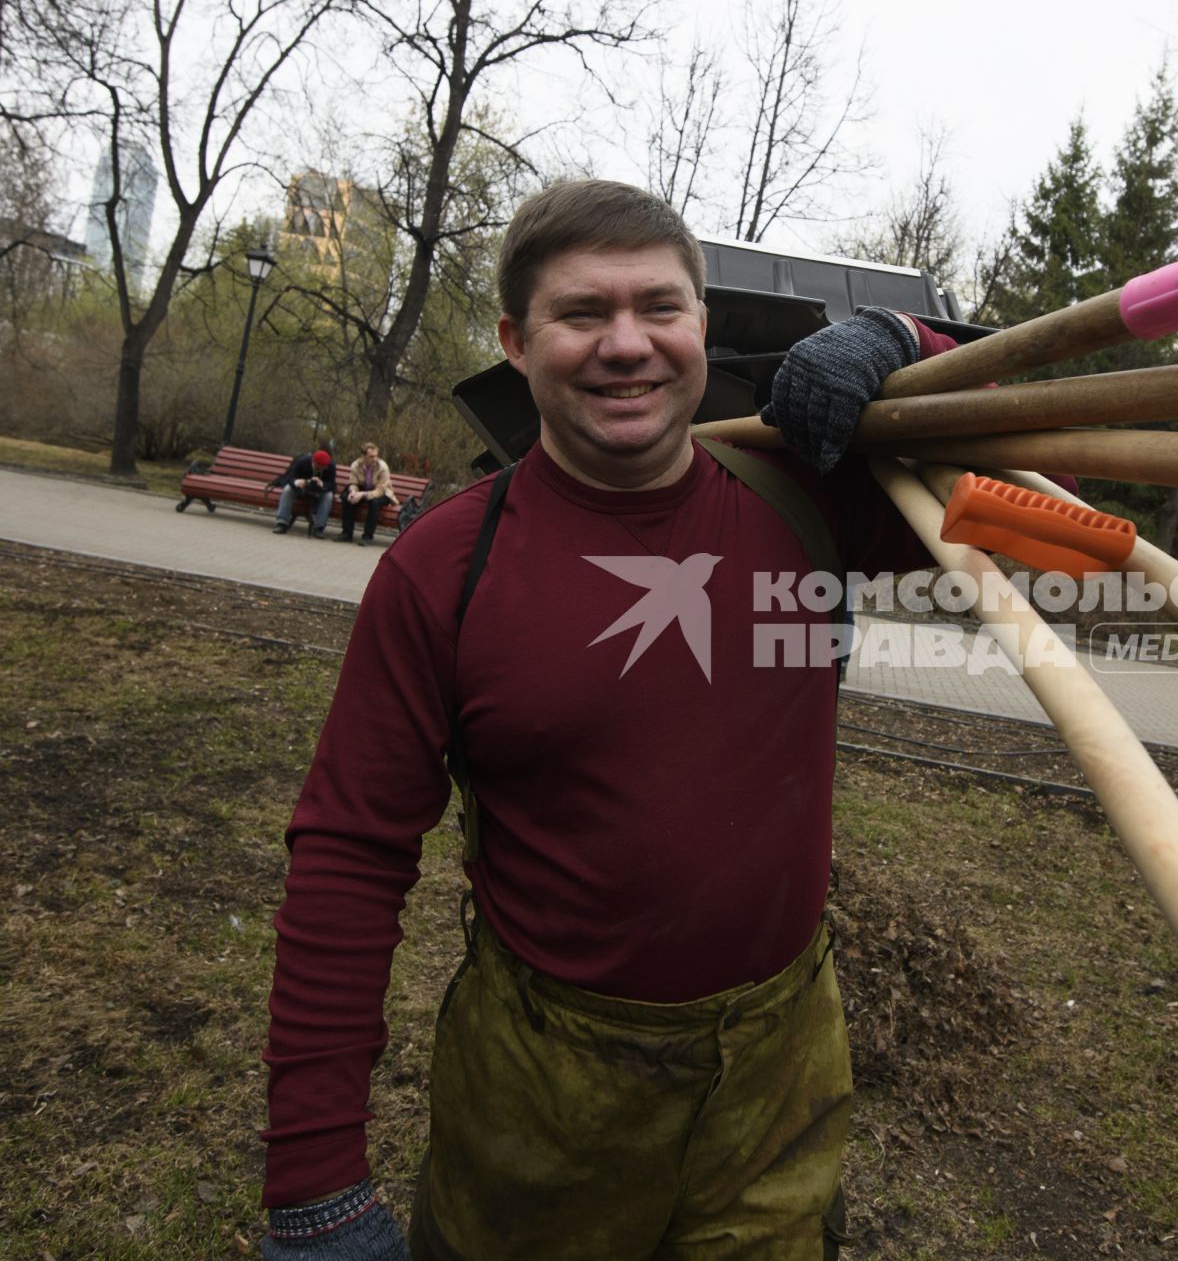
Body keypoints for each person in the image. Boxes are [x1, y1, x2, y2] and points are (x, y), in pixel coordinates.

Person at [258, 179, 961, 1259]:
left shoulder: (809, 496)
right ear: (516, 340)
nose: (626, 344)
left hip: (781, 1075)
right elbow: (350, 858)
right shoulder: (443, 566)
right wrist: (316, 1185)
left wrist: (901, 335)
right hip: (545, 1095)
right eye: (583, 313)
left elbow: (1048, 469)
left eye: (659, 307)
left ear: (702, 326)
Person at [335, 443, 397, 545]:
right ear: (364, 456)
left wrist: (363, 494)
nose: (375, 459)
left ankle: (367, 536)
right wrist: (353, 492)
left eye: (376, 455)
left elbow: (380, 490)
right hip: (363, 489)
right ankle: (346, 533)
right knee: (347, 497)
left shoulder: (383, 467)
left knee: (374, 503)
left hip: (382, 493)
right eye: (371, 456)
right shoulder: (356, 465)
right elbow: (353, 482)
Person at [273, 450, 336, 537]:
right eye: (318, 468)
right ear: (313, 461)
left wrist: (322, 484)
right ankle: (282, 523)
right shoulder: (302, 461)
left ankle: (319, 528)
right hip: (300, 488)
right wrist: (297, 481)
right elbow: (290, 477)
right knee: (287, 490)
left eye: (322, 468)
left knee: (328, 496)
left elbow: (332, 485)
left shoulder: (330, 466)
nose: (320, 470)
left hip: (318, 491)